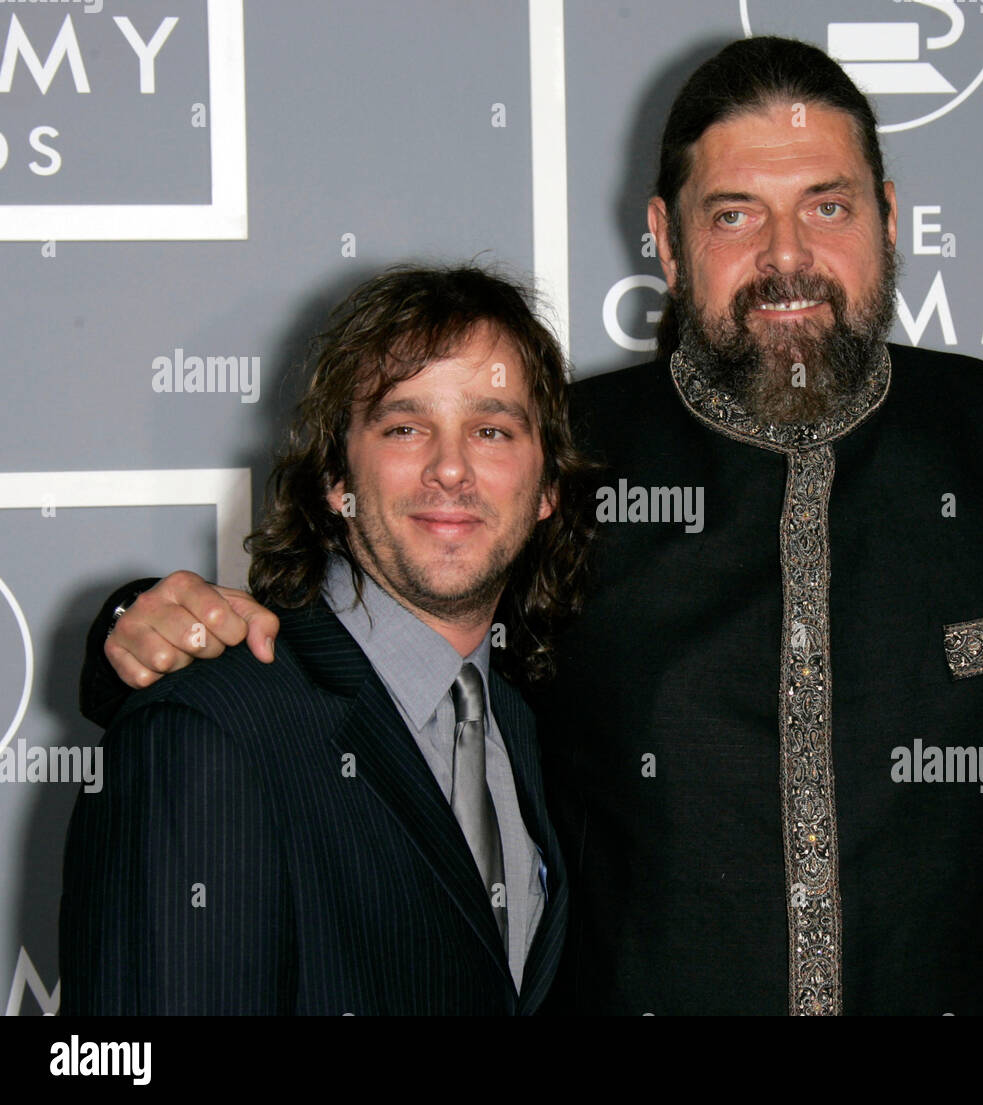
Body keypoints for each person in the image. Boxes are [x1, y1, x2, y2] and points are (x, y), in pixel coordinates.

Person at [76, 37, 983, 1015]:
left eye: (828, 204)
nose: (786, 256)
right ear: (665, 241)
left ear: (891, 220)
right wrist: (135, 630)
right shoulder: (564, 453)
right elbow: (376, 632)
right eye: (733, 215)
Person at [60, 265, 597, 1014]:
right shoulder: (209, 729)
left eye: (491, 429)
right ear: (335, 479)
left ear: (546, 490)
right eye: (405, 426)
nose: (450, 467)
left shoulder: (526, 730)